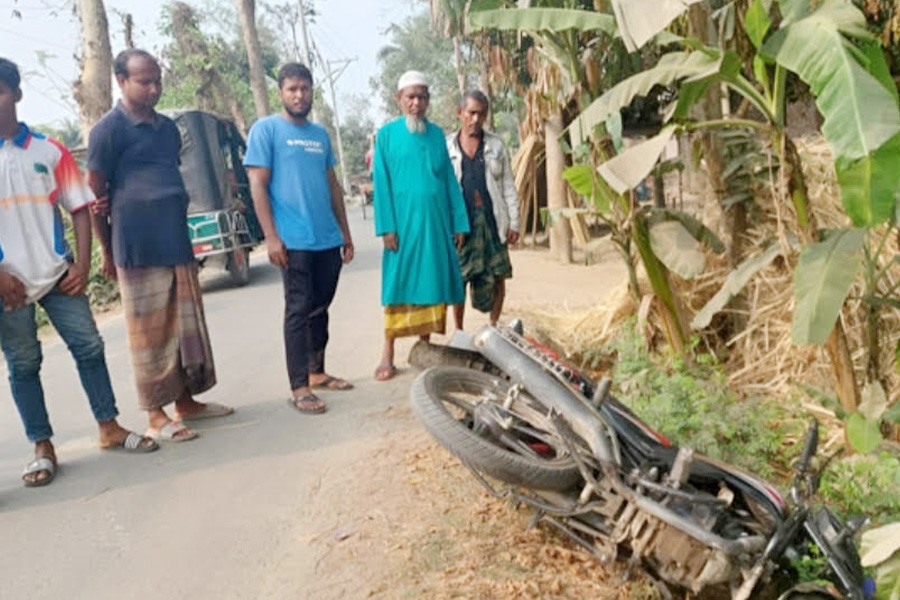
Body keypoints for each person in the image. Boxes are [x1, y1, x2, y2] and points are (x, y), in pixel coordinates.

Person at [0, 58, 158, 488]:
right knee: (24, 363)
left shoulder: (49, 151)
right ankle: (42, 446)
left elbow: (80, 207)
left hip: (57, 273)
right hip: (7, 284)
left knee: (89, 346)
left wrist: (83, 264)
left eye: (0, 90)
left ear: (16, 94)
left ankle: (109, 426)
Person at [87, 49, 232, 442]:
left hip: (175, 239)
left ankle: (187, 403)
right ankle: (155, 413)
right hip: (136, 245)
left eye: (157, 81)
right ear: (121, 80)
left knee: (185, 329)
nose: (153, 89)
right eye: (144, 82)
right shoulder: (107, 130)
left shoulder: (169, 129)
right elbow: (96, 196)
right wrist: (106, 251)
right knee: (150, 334)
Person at [244, 63, 355, 414]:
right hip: (292, 241)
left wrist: (346, 233)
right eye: (292, 89)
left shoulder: (320, 135)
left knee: (321, 306)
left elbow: (333, 185)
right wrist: (271, 237)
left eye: (305, 89)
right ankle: (299, 386)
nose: (299, 95)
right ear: (281, 92)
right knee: (298, 310)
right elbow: (257, 185)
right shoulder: (266, 130)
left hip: (326, 238)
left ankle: (317, 371)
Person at [372, 70, 469, 381]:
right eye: (410, 97)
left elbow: (450, 182)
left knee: (432, 283)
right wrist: (387, 227)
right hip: (402, 225)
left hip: (436, 222)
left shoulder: (438, 134)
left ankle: (423, 350)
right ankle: (387, 354)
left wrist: (459, 222)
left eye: (422, 96)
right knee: (397, 285)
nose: (416, 102)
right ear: (399, 100)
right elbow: (381, 184)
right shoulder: (386, 136)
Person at [446, 90, 520, 328]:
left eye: (481, 114)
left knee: (498, 274)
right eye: (471, 113)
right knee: (460, 278)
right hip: (461, 225)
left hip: (491, 220)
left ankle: (494, 326)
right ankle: (458, 330)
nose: (476, 119)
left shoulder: (495, 145)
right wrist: (449, 225)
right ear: (460, 113)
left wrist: (514, 223)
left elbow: (508, 184)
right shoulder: (446, 147)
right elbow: (443, 191)